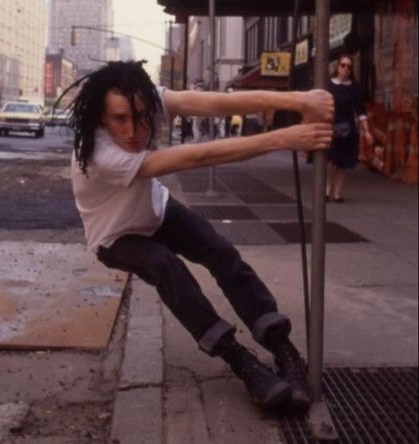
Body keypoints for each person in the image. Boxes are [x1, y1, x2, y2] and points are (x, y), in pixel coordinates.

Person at [63, 61, 333, 412]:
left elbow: (218, 102)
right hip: (115, 235)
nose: (134, 130)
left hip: (156, 211)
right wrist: (284, 137)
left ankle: (283, 350)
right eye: (119, 120)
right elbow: (196, 157)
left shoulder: (147, 100)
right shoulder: (99, 155)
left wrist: (300, 100)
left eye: (142, 116)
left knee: (221, 252)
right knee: (167, 267)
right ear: (102, 117)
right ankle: (242, 362)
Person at [326, 55, 373, 202]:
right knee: (329, 160)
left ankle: (337, 194)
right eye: (343, 65)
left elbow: (361, 111)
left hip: (348, 129)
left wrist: (367, 132)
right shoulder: (328, 85)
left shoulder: (355, 88)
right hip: (330, 127)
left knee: (342, 162)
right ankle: (327, 189)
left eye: (349, 67)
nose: (346, 69)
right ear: (337, 67)